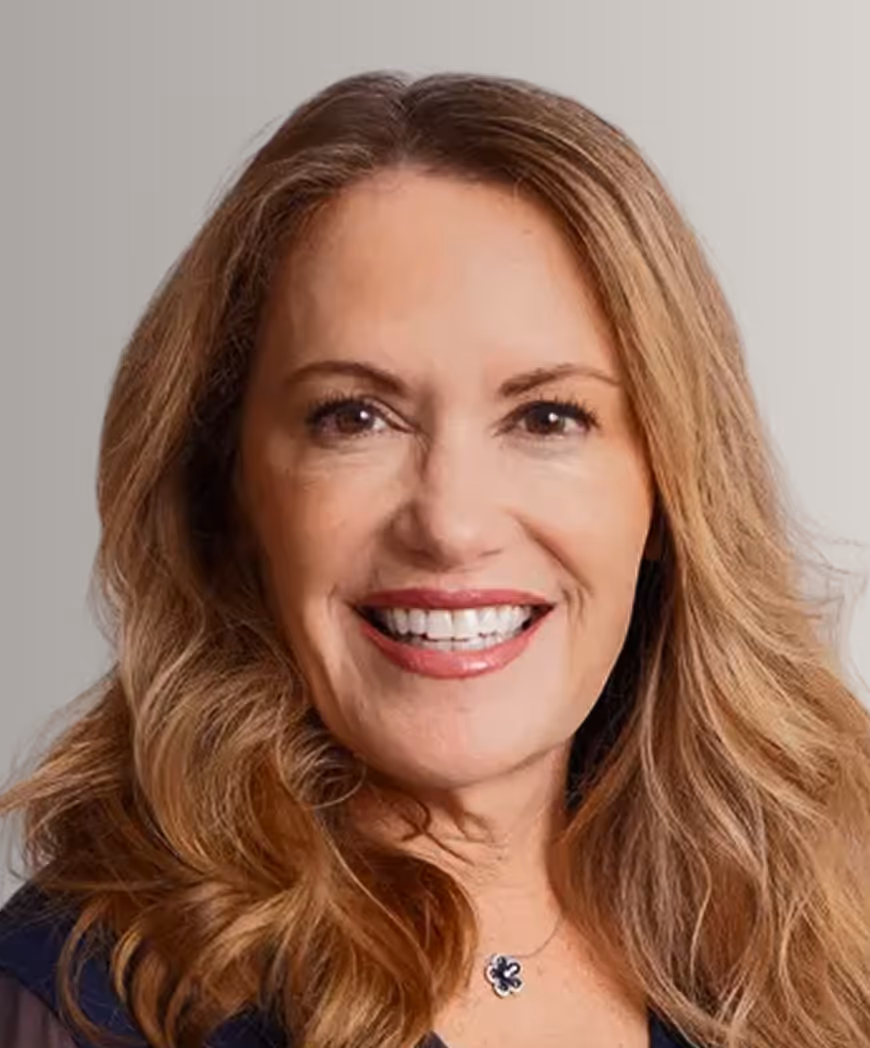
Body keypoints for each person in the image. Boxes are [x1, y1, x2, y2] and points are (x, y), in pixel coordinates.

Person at [1, 69, 868, 1048]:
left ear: (668, 492)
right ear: (232, 490)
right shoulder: (79, 1003)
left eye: (547, 416)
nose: (450, 523)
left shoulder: (816, 945)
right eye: (354, 416)